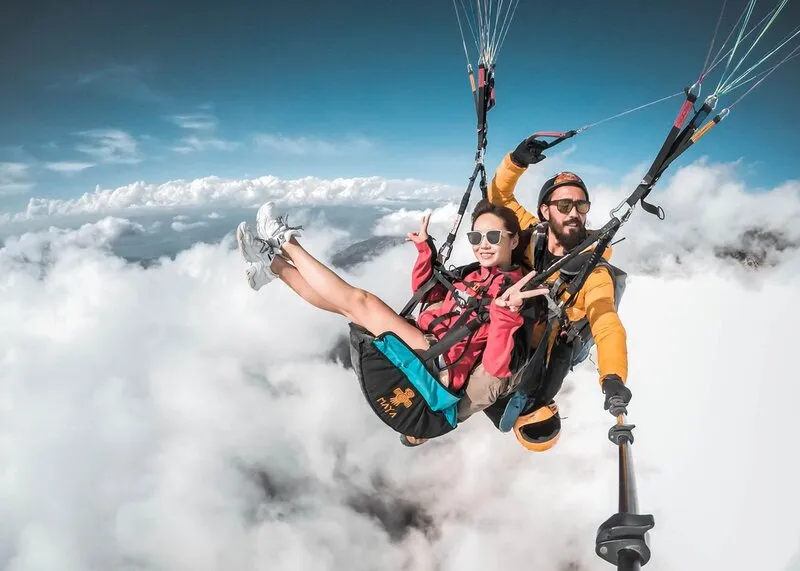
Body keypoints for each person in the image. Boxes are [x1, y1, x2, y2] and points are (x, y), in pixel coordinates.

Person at [234, 199, 549, 446]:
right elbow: (429, 291)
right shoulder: (474, 272)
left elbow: (498, 368)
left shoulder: (520, 293)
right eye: (476, 236)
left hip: (436, 362)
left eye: (493, 236)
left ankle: (283, 241)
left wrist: (507, 314)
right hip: (425, 341)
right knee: (345, 307)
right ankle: (272, 265)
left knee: (360, 302)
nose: (483, 243)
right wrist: (425, 250)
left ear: (513, 239)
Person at [483, 135, 632, 438]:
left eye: (581, 204)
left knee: (519, 396)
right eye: (564, 204)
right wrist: (516, 162)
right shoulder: (534, 234)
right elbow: (499, 199)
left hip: (545, 349)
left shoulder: (593, 270)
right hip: (514, 326)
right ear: (544, 211)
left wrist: (613, 377)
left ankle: (534, 418)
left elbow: (606, 320)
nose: (574, 212)